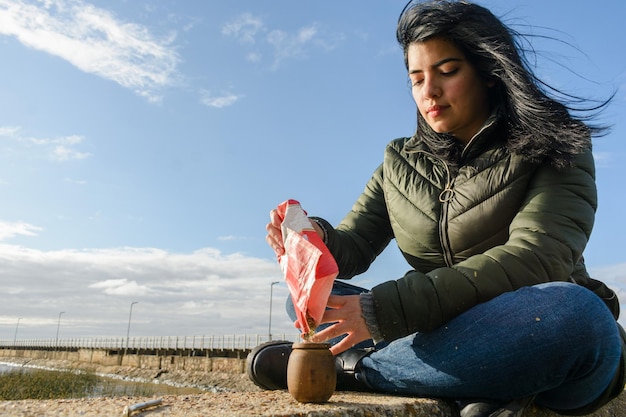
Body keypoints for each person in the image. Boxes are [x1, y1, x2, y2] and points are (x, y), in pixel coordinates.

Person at [246, 1, 625, 416]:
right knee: (310, 301)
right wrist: (309, 238)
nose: (429, 91)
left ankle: (354, 370)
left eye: (447, 72)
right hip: (442, 327)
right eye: (416, 78)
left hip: (528, 324)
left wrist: (383, 311)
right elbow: (352, 247)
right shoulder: (399, 162)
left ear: (489, 72)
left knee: (576, 317)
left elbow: (538, 258)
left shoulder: (553, 143)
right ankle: (482, 382)